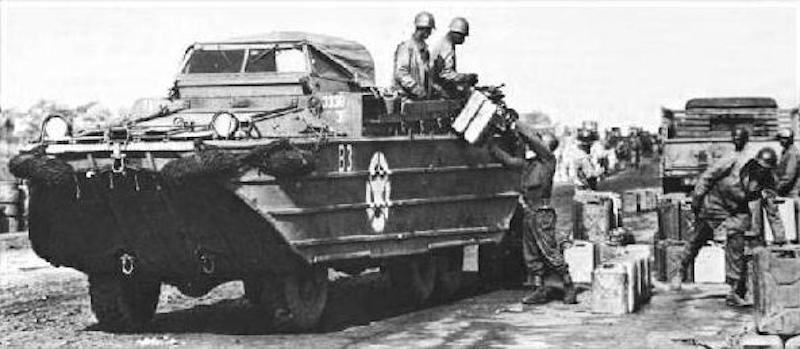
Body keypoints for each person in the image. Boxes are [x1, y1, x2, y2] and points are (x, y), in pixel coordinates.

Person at [672, 147, 786, 306]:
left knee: (736, 243)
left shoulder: (768, 181)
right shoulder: (733, 163)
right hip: (715, 203)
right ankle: (681, 269)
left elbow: (772, 210)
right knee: (698, 238)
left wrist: (780, 238)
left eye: (765, 170)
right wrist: (696, 201)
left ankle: (733, 290)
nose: (761, 172)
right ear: (754, 163)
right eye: (759, 167)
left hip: (737, 209)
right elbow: (707, 177)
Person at [488, 121, 578, 305]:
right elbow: (508, 161)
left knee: (550, 252)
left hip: (542, 213)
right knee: (531, 255)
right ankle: (540, 290)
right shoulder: (529, 165)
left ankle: (568, 285)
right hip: (529, 212)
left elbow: (534, 142)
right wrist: (491, 145)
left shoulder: (548, 161)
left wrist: (517, 125)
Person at [430, 17, 479, 99]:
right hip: (436, 88)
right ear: (456, 33)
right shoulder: (446, 47)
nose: (463, 39)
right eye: (462, 36)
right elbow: (445, 74)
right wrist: (465, 77)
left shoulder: (445, 43)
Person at [393, 11, 436, 100]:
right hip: (405, 98)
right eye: (429, 30)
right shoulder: (406, 47)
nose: (430, 33)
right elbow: (401, 73)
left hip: (419, 99)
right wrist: (415, 88)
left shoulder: (425, 50)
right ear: (422, 29)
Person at [776, 128, 800, 197]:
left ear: (790, 139)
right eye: (780, 138)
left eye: (784, 138)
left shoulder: (792, 153)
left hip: (791, 192)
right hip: (785, 190)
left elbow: (789, 175)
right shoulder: (785, 152)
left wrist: (777, 187)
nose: (781, 140)